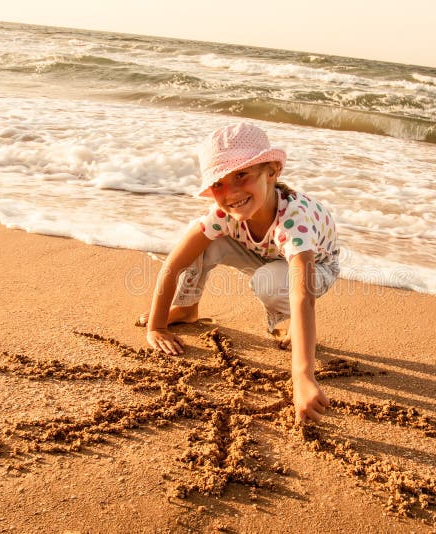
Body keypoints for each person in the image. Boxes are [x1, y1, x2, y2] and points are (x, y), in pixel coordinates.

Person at [138, 122, 340, 423]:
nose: (230, 192)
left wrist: (302, 377)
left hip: (315, 268)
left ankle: (288, 326)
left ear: (271, 172)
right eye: (219, 183)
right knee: (203, 243)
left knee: (270, 282)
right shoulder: (225, 214)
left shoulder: (293, 221)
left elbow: (303, 297)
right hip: (263, 252)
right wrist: (155, 326)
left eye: (241, 176)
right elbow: (174, 264)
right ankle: (187, 307)